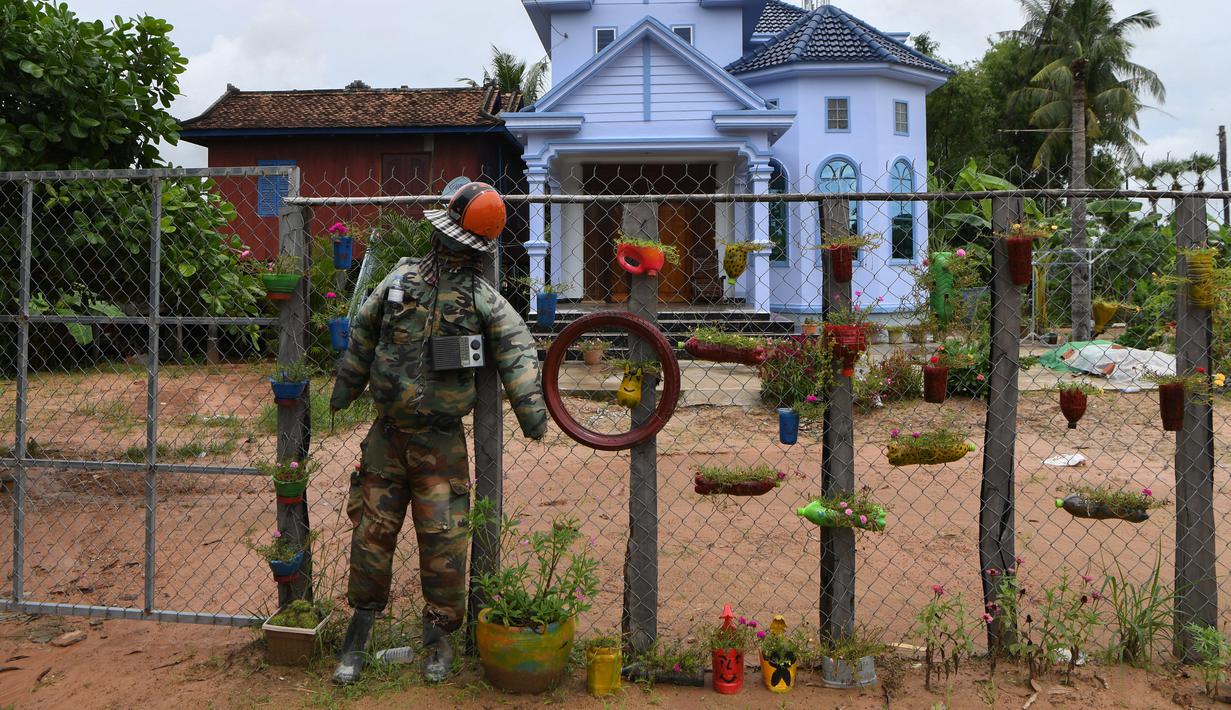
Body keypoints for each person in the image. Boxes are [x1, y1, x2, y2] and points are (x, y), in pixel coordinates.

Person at [329, 182, 547, 685]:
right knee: (371, 535)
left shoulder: (479, 297)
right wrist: (345, 387)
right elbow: (364, 328)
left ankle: (438, 642)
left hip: (442, 444)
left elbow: (517, 347)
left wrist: (530, 411)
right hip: (386, 439)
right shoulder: (400, 276)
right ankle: (356, 640)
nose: (449, 249)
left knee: (444, 543)